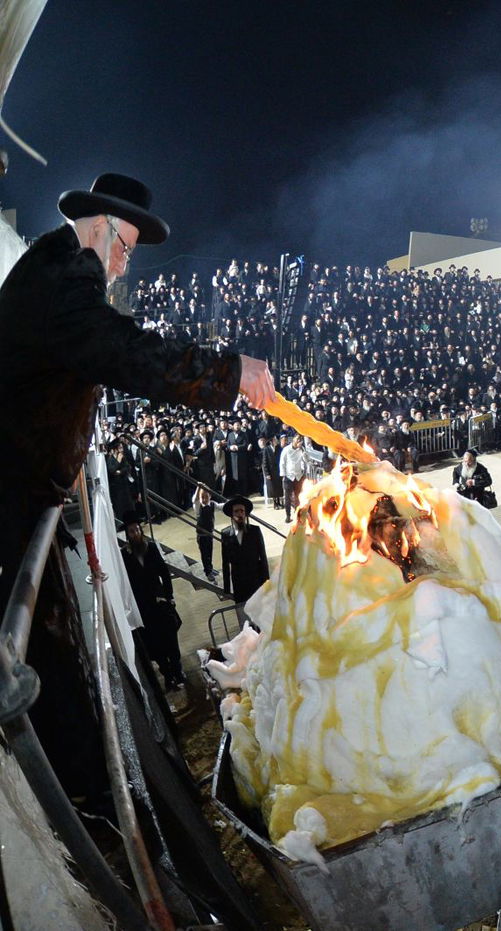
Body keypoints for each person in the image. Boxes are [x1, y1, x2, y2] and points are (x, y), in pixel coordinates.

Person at [0, 174, 273, 799]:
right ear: (99, 225)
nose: (125, 261)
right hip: (9, 493)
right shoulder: (69, 274)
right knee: (45, 657)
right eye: (125, 245)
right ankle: (90, 800)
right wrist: (228, 371)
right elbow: (121, 352)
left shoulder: (55, 269)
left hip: (25, 483)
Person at [120, 514, 186, 691]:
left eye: (137, 530)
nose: (135, 533)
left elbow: (164, 573)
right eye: (132, 531)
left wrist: (169, 595)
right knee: (154, 645)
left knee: (171, 639)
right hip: (143, 608)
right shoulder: (124, 556)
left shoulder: (151, 548)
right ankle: (168, 675)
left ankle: (178, 672)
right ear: (128, 535)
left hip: (160, 603)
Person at [220, 495, 270, 603]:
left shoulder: (255, 531)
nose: (239, 514)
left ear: (245, 513)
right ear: (232, 515)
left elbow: (263, 558)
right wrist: (227, 590)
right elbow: (225, 563)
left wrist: (267, 583)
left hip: (256, 582)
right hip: (239, 584)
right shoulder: (226, 534)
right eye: (236, 511)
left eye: (242, 511)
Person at [278, 434, 309, 522]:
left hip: (298, 475)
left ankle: (297, 514)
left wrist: (303, 451)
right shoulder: (286, 449)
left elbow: (307, 460)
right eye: (297, 439)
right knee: (287, 497)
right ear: (293, 440)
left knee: (298, 496)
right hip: (288, 476)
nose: (299, 441)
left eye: (300, 439)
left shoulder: (302, 449)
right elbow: (282, 463)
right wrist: (283, 475)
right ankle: (288, 515)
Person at [192, 482, 218, 581]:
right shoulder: (198, 507)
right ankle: (207, 571)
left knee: (210, 552)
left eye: (206, 497)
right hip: (202, 535)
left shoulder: (212, 505)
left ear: (210, 497)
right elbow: (195, 500)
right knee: (204, 554)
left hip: (209, 534)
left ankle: (210, 568)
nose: (204, 499)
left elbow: (221, 506)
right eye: (202, 497)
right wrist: (198, 488)